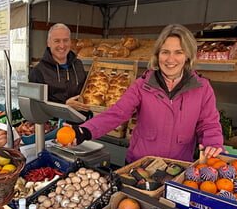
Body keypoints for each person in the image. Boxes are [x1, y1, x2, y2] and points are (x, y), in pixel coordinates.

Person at [68, 24, 224, 163]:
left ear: (188, 55)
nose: (171, 59)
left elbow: (209, 124)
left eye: (178, 52)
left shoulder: (202, 88)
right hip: (139, 165)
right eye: (165, 52)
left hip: (178, 169)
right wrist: (84, 130)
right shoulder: (143, 85)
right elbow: (116, 113)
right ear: (157, 55)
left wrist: (213, 144)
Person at [29, 23, 90, 113]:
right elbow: (36, 106)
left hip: (81, 121)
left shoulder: (78, 64)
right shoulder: (38, 71)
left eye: (65, 40)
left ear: (70, 42)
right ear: (48, 43)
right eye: (57, 41)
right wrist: (64, 105)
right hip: (55, 124)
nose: (62, 45)